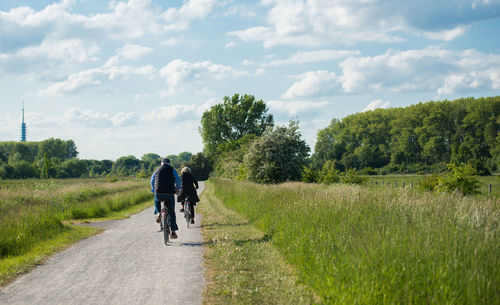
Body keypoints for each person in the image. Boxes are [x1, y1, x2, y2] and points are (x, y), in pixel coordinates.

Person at [150, 158, 181, 239]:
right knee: (171, 212)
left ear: (161, 163)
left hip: (158, 192)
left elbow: (152, 180)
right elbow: (178, 179)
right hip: (169, 192)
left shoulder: (156, 170)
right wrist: (177, 188)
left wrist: (153, 189)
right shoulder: (172, 169)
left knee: (157, 201)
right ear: (169, 163)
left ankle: (158, 213)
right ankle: (173, 231)